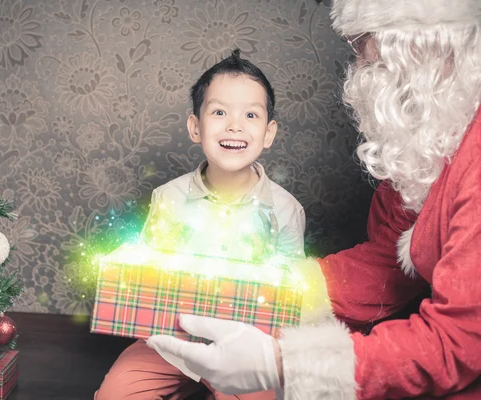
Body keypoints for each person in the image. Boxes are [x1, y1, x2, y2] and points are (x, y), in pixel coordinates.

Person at [147, 0, 481, 399]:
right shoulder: (428, 135)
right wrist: (276, 291)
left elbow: (459, 342)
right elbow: (389, 258)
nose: (356, 66)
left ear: (421, 48)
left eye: (366, 48)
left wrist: (285, 362)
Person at [95, 49, 307, 399]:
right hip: (170, 340)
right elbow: (149, 272)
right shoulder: (168, 197)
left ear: (269, 133)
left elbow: (291, 293)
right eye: (219, 112)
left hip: (245, 346)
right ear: (196, 126)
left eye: (250, 114)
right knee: (113, 395)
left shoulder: (285, 209)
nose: (234, 125)